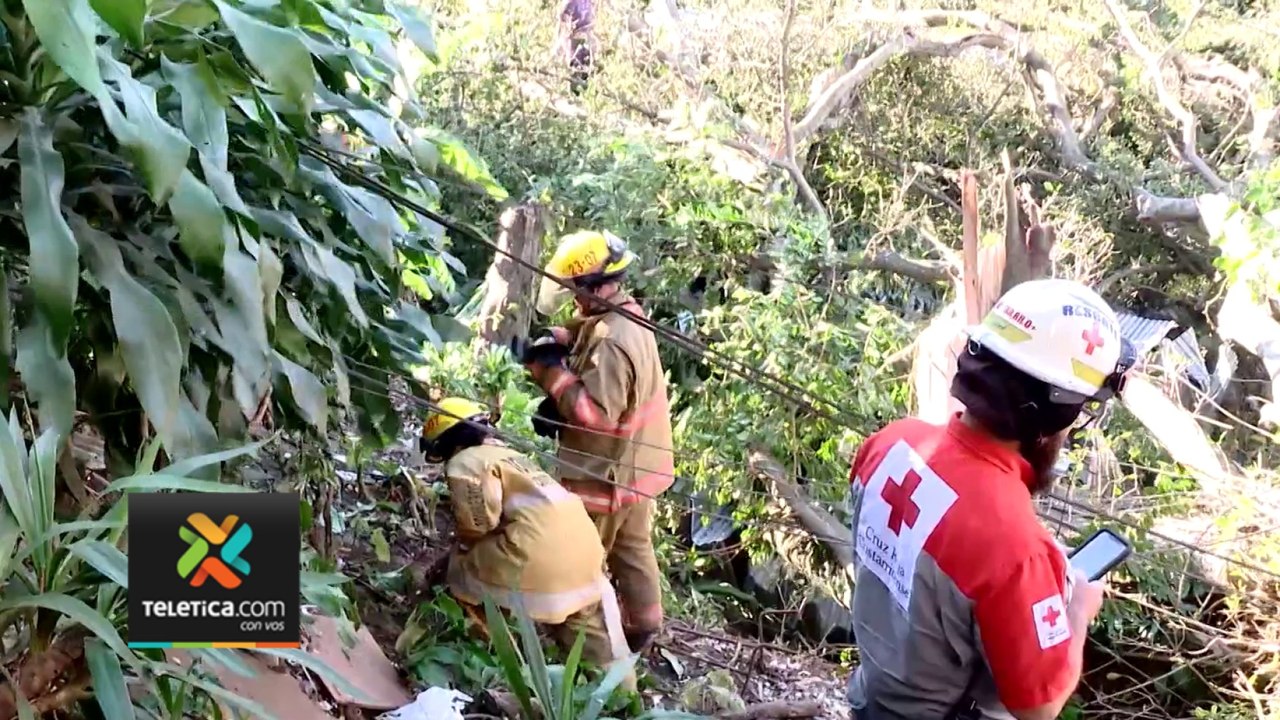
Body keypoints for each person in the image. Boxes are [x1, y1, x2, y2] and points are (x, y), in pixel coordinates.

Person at [845, 279, 1136, 720]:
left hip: (871, 698)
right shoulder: (1014, 548)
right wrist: (1077, 611)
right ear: (1062, 411)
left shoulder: (891, 444)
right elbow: (1039, 707)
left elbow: (934, 555)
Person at [518, 229, 676, 653]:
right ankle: (644, 628)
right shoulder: (626, 316)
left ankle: (592, 651)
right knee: (634, 549)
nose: (574, 301)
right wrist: (554, 341)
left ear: (597, 286)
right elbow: (585, 331)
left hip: (605, 474)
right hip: (639, 469)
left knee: (581, 557)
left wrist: (552, 375)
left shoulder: (612, 343)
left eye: (576, 291)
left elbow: (594, 416)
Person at [420, 397, 634, 687]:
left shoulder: (465, 462)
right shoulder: (513, 456)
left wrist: (456, 556)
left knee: (462, 570)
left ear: (448, 444)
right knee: (595, 639)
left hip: (540, 564)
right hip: (587, 555)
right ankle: (622, 697)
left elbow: (478, 524)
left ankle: (491, 658)